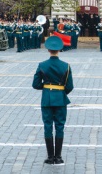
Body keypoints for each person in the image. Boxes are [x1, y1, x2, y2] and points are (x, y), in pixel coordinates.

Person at [33, 36, 74, 165]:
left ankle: (50, 157)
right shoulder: (66, 66)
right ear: (59, 50)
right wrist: (60, 92)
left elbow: (35, 84)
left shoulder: (42, 65)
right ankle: (59, 156)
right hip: (60, 99)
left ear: (48, 50)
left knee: (47, 126)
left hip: (47, 99)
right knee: (60, 126)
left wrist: (46, 89)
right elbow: (70, 86)